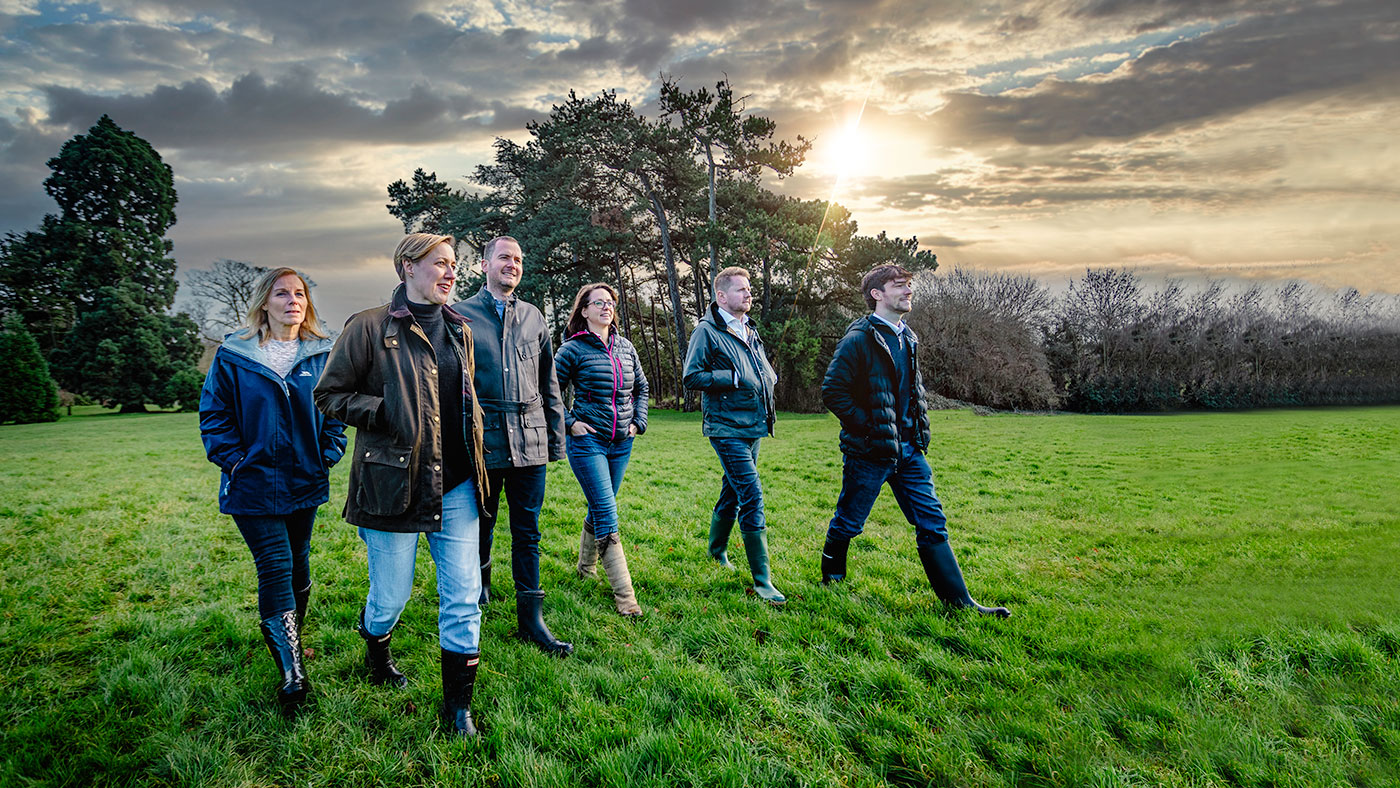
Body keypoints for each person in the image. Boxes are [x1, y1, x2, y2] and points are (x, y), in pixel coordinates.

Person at [313, 233, 490, 738]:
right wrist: (384, 410)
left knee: (463, 595)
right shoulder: (368, 327)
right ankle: (376, 643)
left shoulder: (461, 328)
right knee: (391, 596)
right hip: (394, 483)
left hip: (457, 485)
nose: (451, 272)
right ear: (408, 268)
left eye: (454, 264)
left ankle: (458, 708)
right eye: (440, 263)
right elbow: (329, 394)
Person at [819, 264, 1010, 618]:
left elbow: (911, 389)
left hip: (909, 451)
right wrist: (869, 428)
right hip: (870, 452)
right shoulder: (859, 338)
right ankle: (832, 579)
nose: (908, 291)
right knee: (849, 521)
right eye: (899, 286)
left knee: (931, 519)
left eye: (909, 286)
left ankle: (961, 604)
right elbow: (833, 391)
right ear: (877, 294)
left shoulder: (908, 336)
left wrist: (917, 431)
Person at [199, 267, 347, 715]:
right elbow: (214, 414)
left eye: (299, 293)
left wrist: (328, 452)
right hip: (253, 483)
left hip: (305, 479)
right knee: (276, 566)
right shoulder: (235, 355)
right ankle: (292, 675)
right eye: (282, 293)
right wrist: (235, 460)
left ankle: (292, 646)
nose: (292, 301)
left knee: (299, 563)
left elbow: (334, 410)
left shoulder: (321, 355)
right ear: (265, 302)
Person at [450, 236, 571, 656]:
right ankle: (479, 585)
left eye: (518, 259)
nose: (513, 265)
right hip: (483, 444)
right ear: (484, 264)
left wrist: (555, 440)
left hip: (530, 441)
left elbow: (548, 382)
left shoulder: (534, 317)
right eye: (504, 257)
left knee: (528, 532)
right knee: (481, 524)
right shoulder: (459, 315)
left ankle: (530, 619)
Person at [681, 266, 785, 606]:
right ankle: (763, 581)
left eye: (749, 288)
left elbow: (759, 369)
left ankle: (716, 551)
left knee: (733, 490)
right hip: (726, 427)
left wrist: (766, 379)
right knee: (752, 494)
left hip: (754, 423)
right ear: (722, 296)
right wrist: (734, 378)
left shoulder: (749, 328)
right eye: (741, 289)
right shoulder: (707, 331)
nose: (749, 294)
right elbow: (691, 376)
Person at [553, 283, 649, 617]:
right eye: (598, 303)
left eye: (610, 303)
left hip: (622, 441)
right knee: (608, 511)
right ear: (584, 311)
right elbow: (548, 390)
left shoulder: (625, 347)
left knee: (600, 507)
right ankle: (626, 597)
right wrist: (569, 423)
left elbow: (642, 387)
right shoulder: (573, 349)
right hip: (587, 442)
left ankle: (585, 568)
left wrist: (639, 421)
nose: (606, 307)